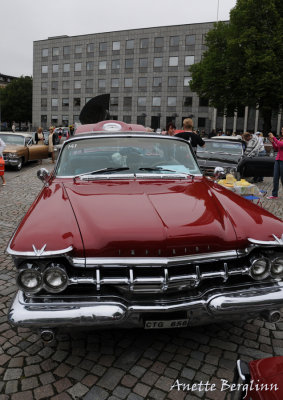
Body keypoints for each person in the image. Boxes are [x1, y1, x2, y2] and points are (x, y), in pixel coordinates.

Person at [267, 130, 283, 199]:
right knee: (275, 178)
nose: (282, 131)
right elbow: (276, 148)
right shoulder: (281, 139)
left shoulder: (280, 140)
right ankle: (274, 194)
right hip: (278, 159)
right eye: (282, 130)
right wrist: (272, 142)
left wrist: (274, 138)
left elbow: (280, 144)